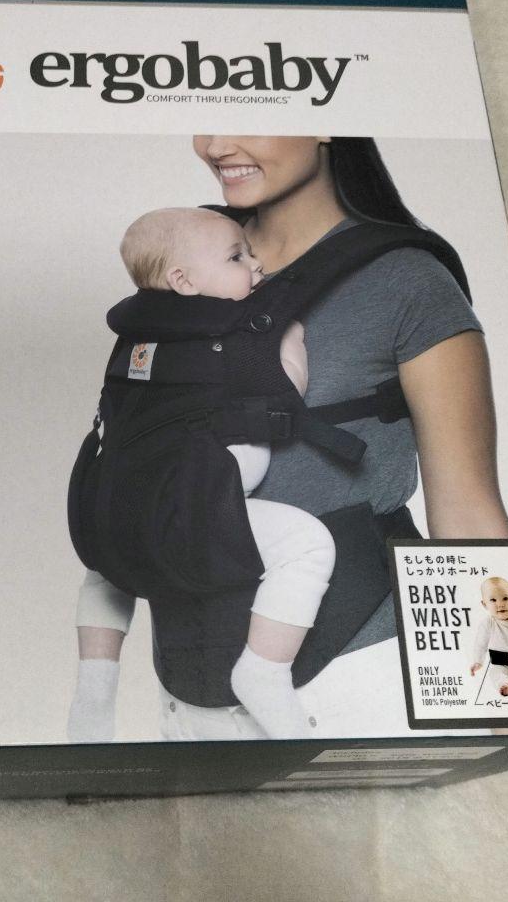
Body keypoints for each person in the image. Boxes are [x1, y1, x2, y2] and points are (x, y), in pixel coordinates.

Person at [69, 135, 508, 741]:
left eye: (251, 113)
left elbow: (467, 510)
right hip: (186, 692)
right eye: (207, 117)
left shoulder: (403, 278)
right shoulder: (185, 256)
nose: (217, 143)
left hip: (356, 673)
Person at [69, 207, 335, 740]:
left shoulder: (136, 338)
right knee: (308, 543)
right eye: (237, 257)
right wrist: (290, 341)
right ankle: (263, 670)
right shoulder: (234, 332)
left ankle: (94, 688)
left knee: (108, 571)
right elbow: (286, 393)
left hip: (107, 516)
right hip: (193, 510)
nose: (255, 264)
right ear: (184, 281)